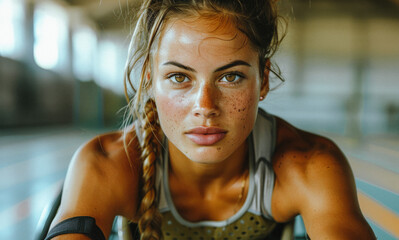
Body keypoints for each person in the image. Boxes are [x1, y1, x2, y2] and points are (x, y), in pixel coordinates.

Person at [45, 0, 376, 239]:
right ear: (149, 79)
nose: (205, 106)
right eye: (179, 77)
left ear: (264, 79)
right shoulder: (105, 165)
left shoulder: (308, 165)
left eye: (230, 77)